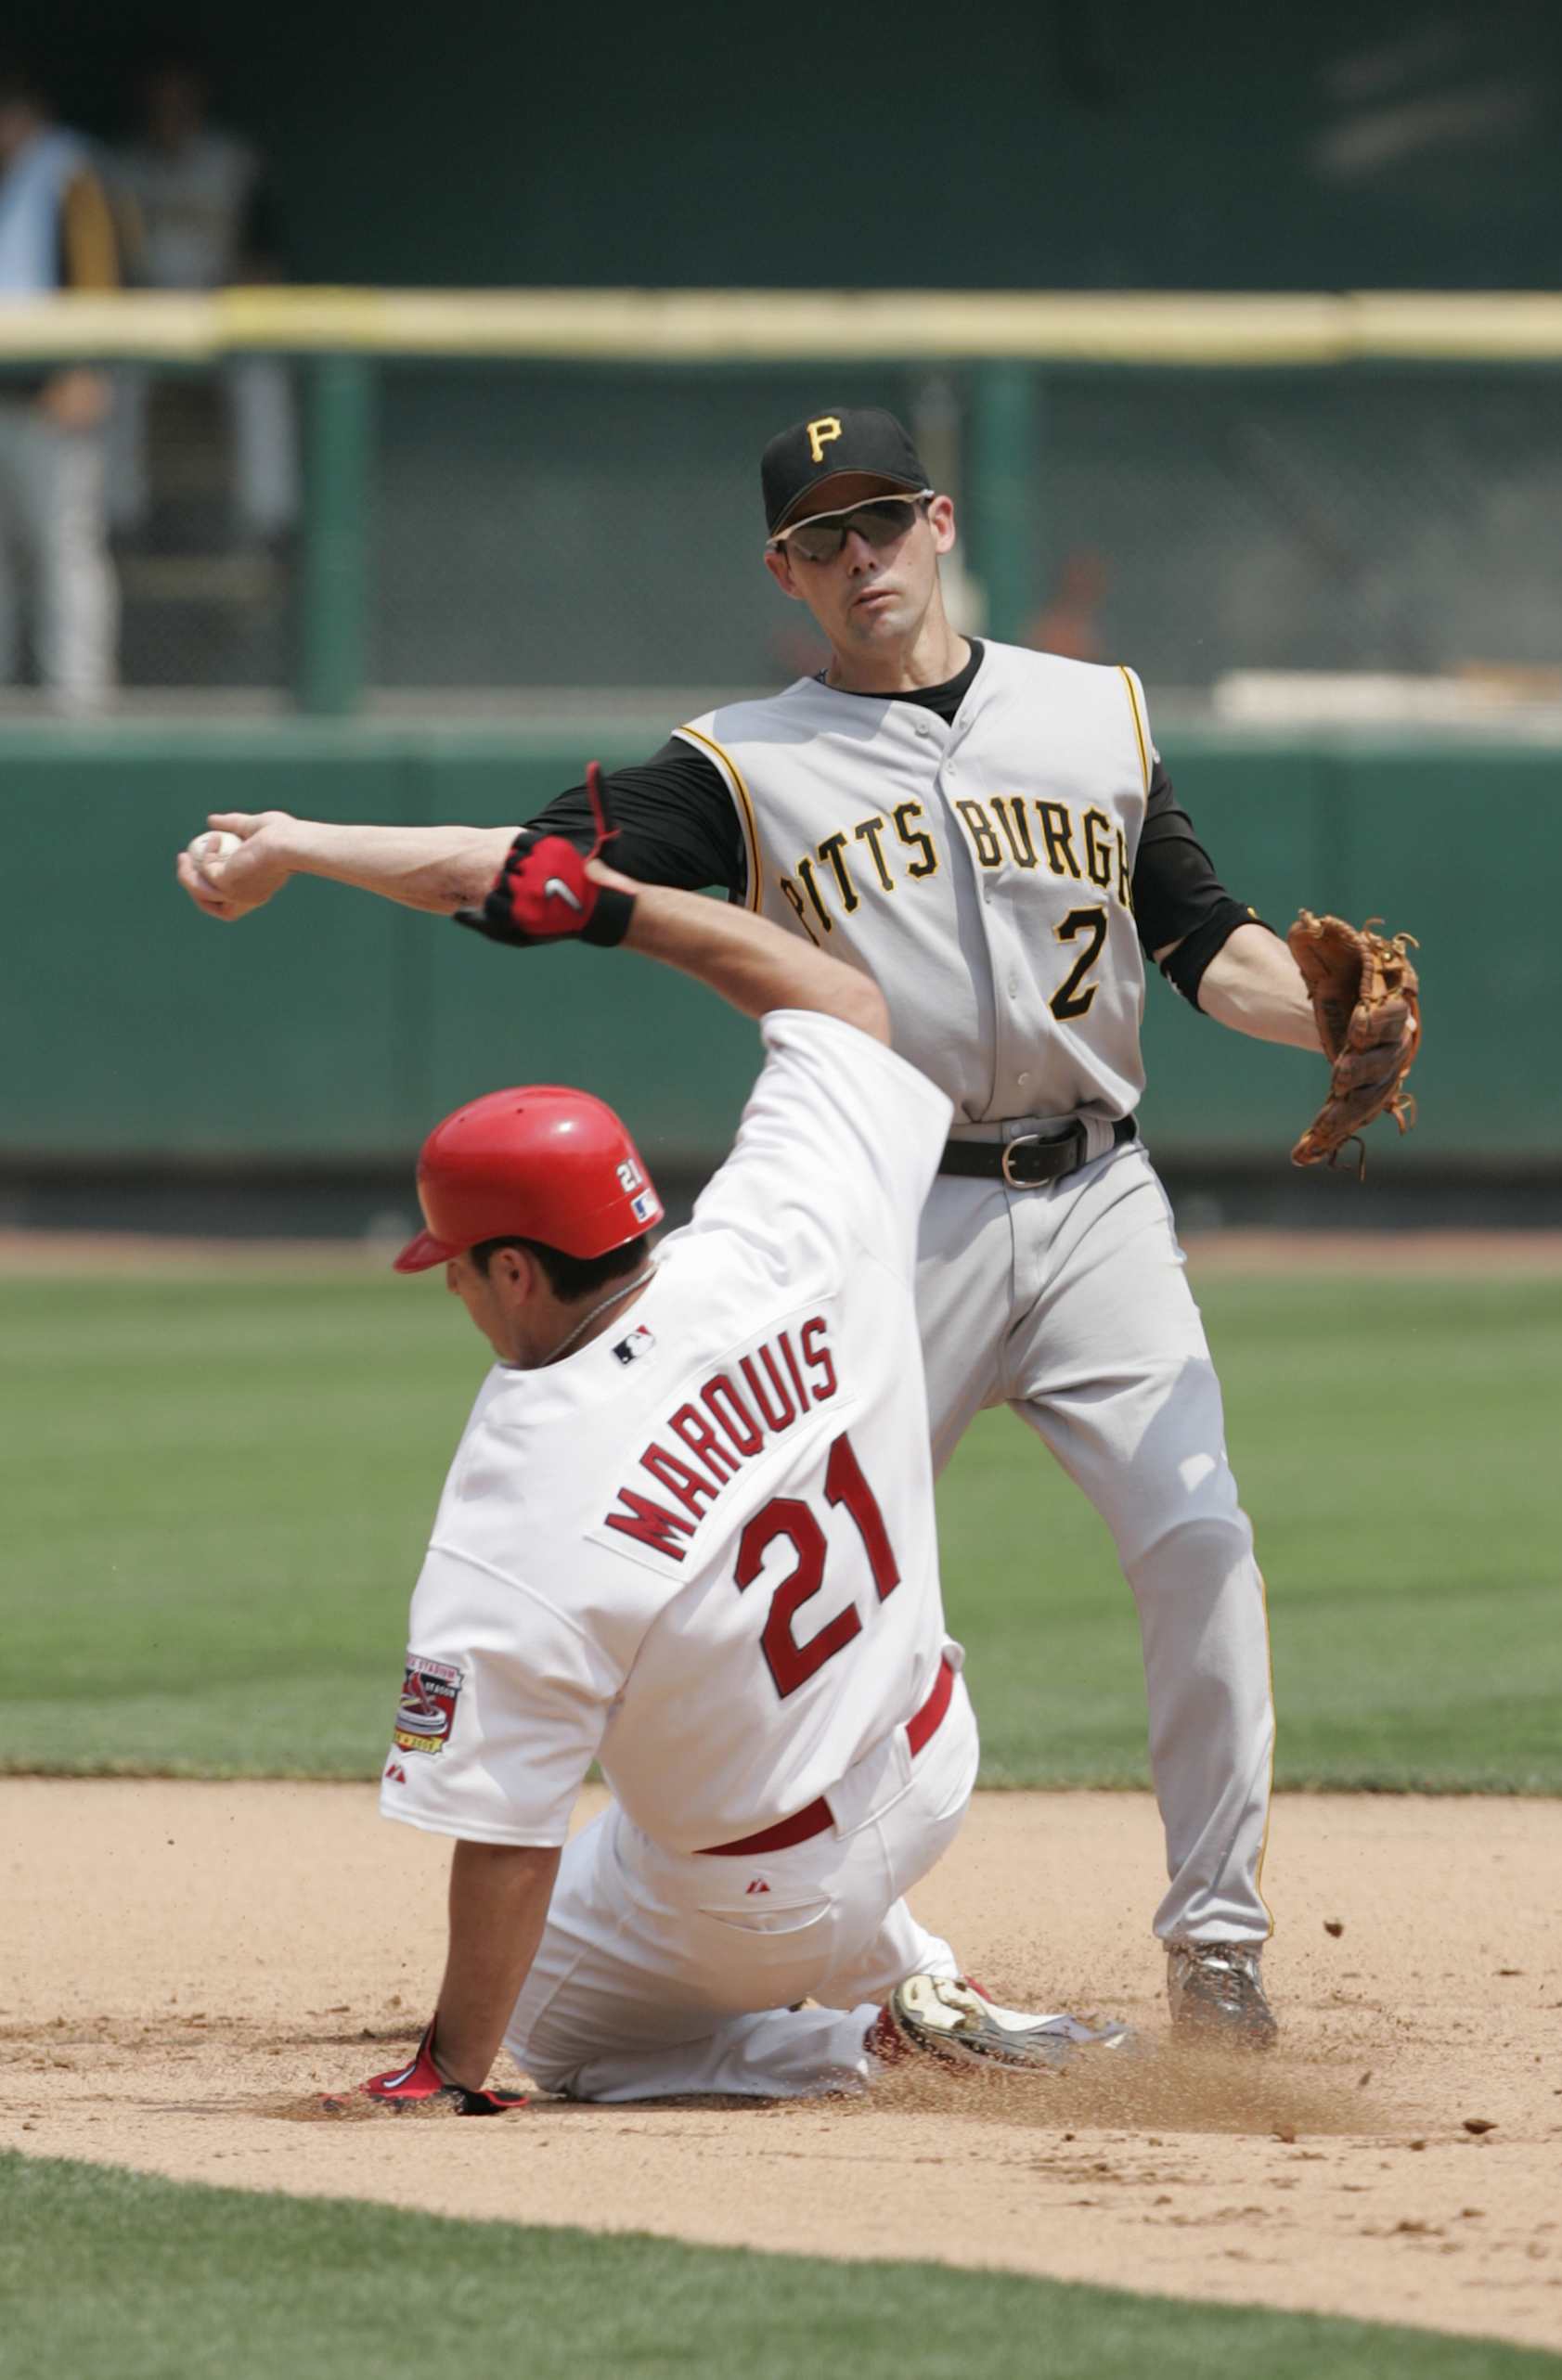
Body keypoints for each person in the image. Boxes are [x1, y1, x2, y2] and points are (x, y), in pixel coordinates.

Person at [181, 406, 1399, 2049]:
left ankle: (1221, 1948)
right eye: (823, 538)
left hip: (1101, 1195)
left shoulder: (1091, 712)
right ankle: (885, 1960)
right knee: (794, 1593)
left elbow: (1206, 944)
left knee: (1199, 1544)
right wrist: (305, 847)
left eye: (883, 519)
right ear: (784, 568)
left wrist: (1323, 1026)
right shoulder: (744, 762)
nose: (861, 556)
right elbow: (521, 870)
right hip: (897, 1215)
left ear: (942, 521)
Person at [348, 836, 1124, 2109]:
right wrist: (611, 910)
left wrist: (452, 2067)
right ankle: (918, 1977)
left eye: (455, 1260)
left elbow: (505, 1831)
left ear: (516, 1272)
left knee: (557, 2014)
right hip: (931, 1762)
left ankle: (858, 2044)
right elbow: (843, 1000)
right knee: (710, 1788)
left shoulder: (518, 1497)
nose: (449, 1284)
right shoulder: (788, 1228)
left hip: (760, 1894)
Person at [105, 43, 297, 544]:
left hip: (221, 312)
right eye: (161, 97)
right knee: (114, 378)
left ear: (199, 99)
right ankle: (120, 518)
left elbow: (264, 261)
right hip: (144, 313)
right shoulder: (120, 167)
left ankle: (269, 521)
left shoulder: (234, 162)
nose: (171, 108)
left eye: (181, 96)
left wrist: (241, 297)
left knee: (262, 377)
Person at [0, 59, 122, 710]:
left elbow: (104, 274)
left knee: (63, 549)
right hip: (4, 398)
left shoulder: (69, 170)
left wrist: (87, 366)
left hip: (53, 399)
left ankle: (79, 703)